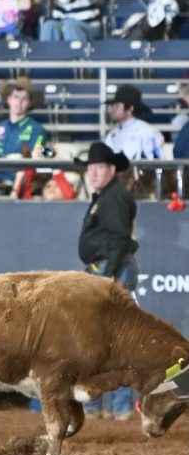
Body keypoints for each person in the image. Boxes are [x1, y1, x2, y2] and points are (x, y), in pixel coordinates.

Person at [75, 142, 138, 420]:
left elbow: (119, 239)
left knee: (109, 337)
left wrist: (109, 275)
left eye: (99, 167)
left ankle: (116, 405)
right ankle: (105, 404)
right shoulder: (109, 195)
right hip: (105, 268)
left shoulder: (114, 197)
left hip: (110, 269)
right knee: (104, 336)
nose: (93, 173)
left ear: (111, 169)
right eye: (90, 168)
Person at [0, 77, 51, 190]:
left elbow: (32, 155)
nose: (19, 102)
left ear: (30, 103)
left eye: (24, 99)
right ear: (9, 99)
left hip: (22, 186)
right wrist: (8, 157)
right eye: (16, 97)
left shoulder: (37, 129)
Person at [103, 85, 164, 161]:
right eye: (113, 106)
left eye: (117, 106)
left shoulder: (147, 131)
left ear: (130, 108)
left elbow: (156, 161)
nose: (112, 110)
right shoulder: (112, 134)